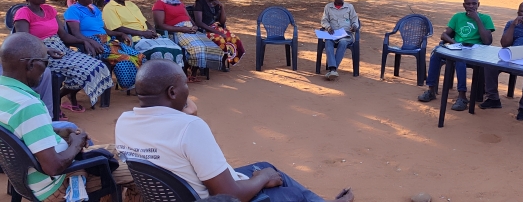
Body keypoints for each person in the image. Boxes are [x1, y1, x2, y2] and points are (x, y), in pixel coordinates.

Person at [115, 59, 354, 202]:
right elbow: (231, 195)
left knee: (267, 165)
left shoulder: (124, 122)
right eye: (185, 84)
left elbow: (165, 131)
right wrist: (261, 179)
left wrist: (181, 112)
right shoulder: (189, 128)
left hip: (180, 192)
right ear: (172, 93)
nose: (189, 89)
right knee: (283, 186)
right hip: (218, 198)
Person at [0, 33, 140, 202]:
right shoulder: (28, 106)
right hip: (55, 185)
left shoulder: (6, 94)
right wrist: (76, 144)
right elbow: (53, 167)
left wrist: (56, 131)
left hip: (24, 177)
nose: (46, 69)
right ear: (31, 65)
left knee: (121, 151)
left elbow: (19, 131)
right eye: (45, 63)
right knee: (142, 174)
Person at [13, 0, 113, 114]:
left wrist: (85, 41)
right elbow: (23, 40)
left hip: (61, 50)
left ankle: (58, 97)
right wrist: (46, 50)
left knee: (97, 66)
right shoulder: (23, 13)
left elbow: (64, 36)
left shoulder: (49, 10)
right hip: (41, 54)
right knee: (83, 72)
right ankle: (55, 103)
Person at [417, 0, 495, 111]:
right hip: (457, 48)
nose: (471, 6)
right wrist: (454, 43)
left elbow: (487, 41)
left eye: (474, 3)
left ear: (478, 4)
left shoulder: (485, 18)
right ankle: (431, 90)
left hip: (475, 52)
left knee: (460, 60)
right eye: (468, 4)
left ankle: (462, 96)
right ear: (464, 5)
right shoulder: (457, 17)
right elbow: (444, 35)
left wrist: (477, 19)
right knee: (435, 56)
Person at [64, 0, 145, 93]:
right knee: (125, 58)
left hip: (107, 41)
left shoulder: (93, 8)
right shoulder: (73, 11)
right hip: (94, 44)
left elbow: (102, 29)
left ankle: (140, 84)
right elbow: (76, 33)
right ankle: (133, 85)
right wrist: (91, 43)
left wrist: (119, 34)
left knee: (139, 56)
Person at [152, 0, 227, 82]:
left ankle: (193, 72)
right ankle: (186, 71)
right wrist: (182, 29)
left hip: (189, 28)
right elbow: (160, 25)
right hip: (176, 30)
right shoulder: (159, 4)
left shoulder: (178, 2)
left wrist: (194, 26)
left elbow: (188, 17)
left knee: (209, 45)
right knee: (197, 48)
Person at [102, 0, 184, 67]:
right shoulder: (109, 8)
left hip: (147, 35)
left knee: (175, 48)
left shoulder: (131, 4)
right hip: (133, 39)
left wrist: (152, 31)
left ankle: (173, 77)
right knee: (158, 51)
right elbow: (117, 28)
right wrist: (142, 33)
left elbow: (145, 21)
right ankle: (155, 76)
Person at [193, 0, 245, 66]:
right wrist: (218, 33)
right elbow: (199, 22)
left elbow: (222, 22)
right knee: (221, 40)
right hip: (205, 30)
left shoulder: (215, 3)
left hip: (217, 28)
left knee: (234, 38)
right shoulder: (199, 3)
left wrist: (222, 7)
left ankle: (226, 60)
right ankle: (219, 62)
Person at [320, 0, 359, 81]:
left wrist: (354, 26)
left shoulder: (350, 7)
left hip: (346, 34)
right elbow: (324, 20)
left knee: (343, 42)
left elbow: (355, 20)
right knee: (328, 41)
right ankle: (333, 70)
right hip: (333, 33)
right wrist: (328, 27)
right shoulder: (328, 7)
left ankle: (332, 69)